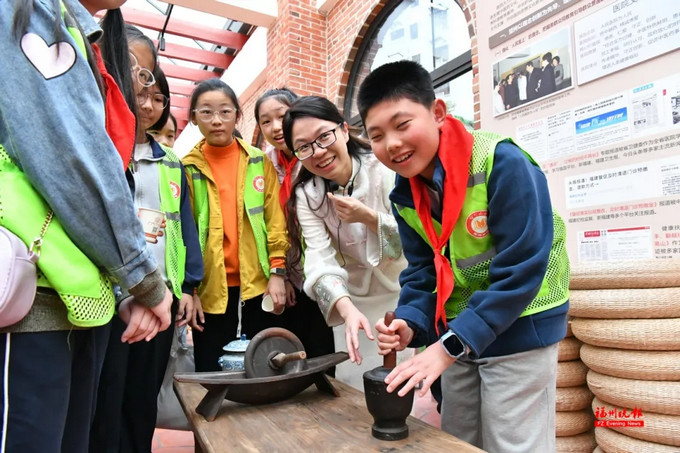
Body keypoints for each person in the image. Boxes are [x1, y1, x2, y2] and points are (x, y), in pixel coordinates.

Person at [358, 60, 570, 452]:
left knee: (512, 443)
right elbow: (422, 271)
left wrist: (448, 347)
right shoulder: (404, 193)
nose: (392, 144)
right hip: (458, 328)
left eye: (402, 125)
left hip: (520, 323)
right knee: (457, 439)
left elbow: (522, 270)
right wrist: (410, 322)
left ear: (438, 112)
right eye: (377, 135)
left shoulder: (501, 162)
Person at [0, 1, 172, 451]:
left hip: (77, 299)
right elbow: (72, 163)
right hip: (25, 297)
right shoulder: (27, 12)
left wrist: (123, 289)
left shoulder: (78, 30)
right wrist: (142, 279)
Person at [90, 66, 203, 452]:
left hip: (161, 297)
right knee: (106, 396)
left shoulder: (171, 162)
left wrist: (186, 287)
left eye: (158, 98)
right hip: (110, 296)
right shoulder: (105, 146)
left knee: (143, 396)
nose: (149, 105)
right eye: (141, 95)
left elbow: (184, 226)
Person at [282, 96, 409, 389]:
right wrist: (347, 310)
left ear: (343, 129)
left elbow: (414, 238)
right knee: (353, 383)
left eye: (324, 136)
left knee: (399, 383)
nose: (318, 152)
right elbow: (318, 258)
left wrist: (369, 218)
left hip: (399, 293)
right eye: (304, 147)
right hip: (351, 299)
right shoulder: (308, 194)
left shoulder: (382, 169)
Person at [182, 79, 290, 372]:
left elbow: (274, 221)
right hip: (210, 286)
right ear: (193, 118)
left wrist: (278, 273)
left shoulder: (257, 161)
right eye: (206, 112)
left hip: (259, 283)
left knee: (264, 365)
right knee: (211, 368)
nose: (216, 120)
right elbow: (184, 233)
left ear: (237, 115)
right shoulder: (187, 167)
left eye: (225, 112)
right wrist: (190, 290)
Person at [254, 88, 335, 361]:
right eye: (266, 121)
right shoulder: (263, 164)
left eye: (282, 116)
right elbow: (268, 222)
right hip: (288, 273)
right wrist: (282, 275)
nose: (276, 127)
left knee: (325, 348)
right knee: (294, 349)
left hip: (325, 262)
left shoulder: (316, 155)